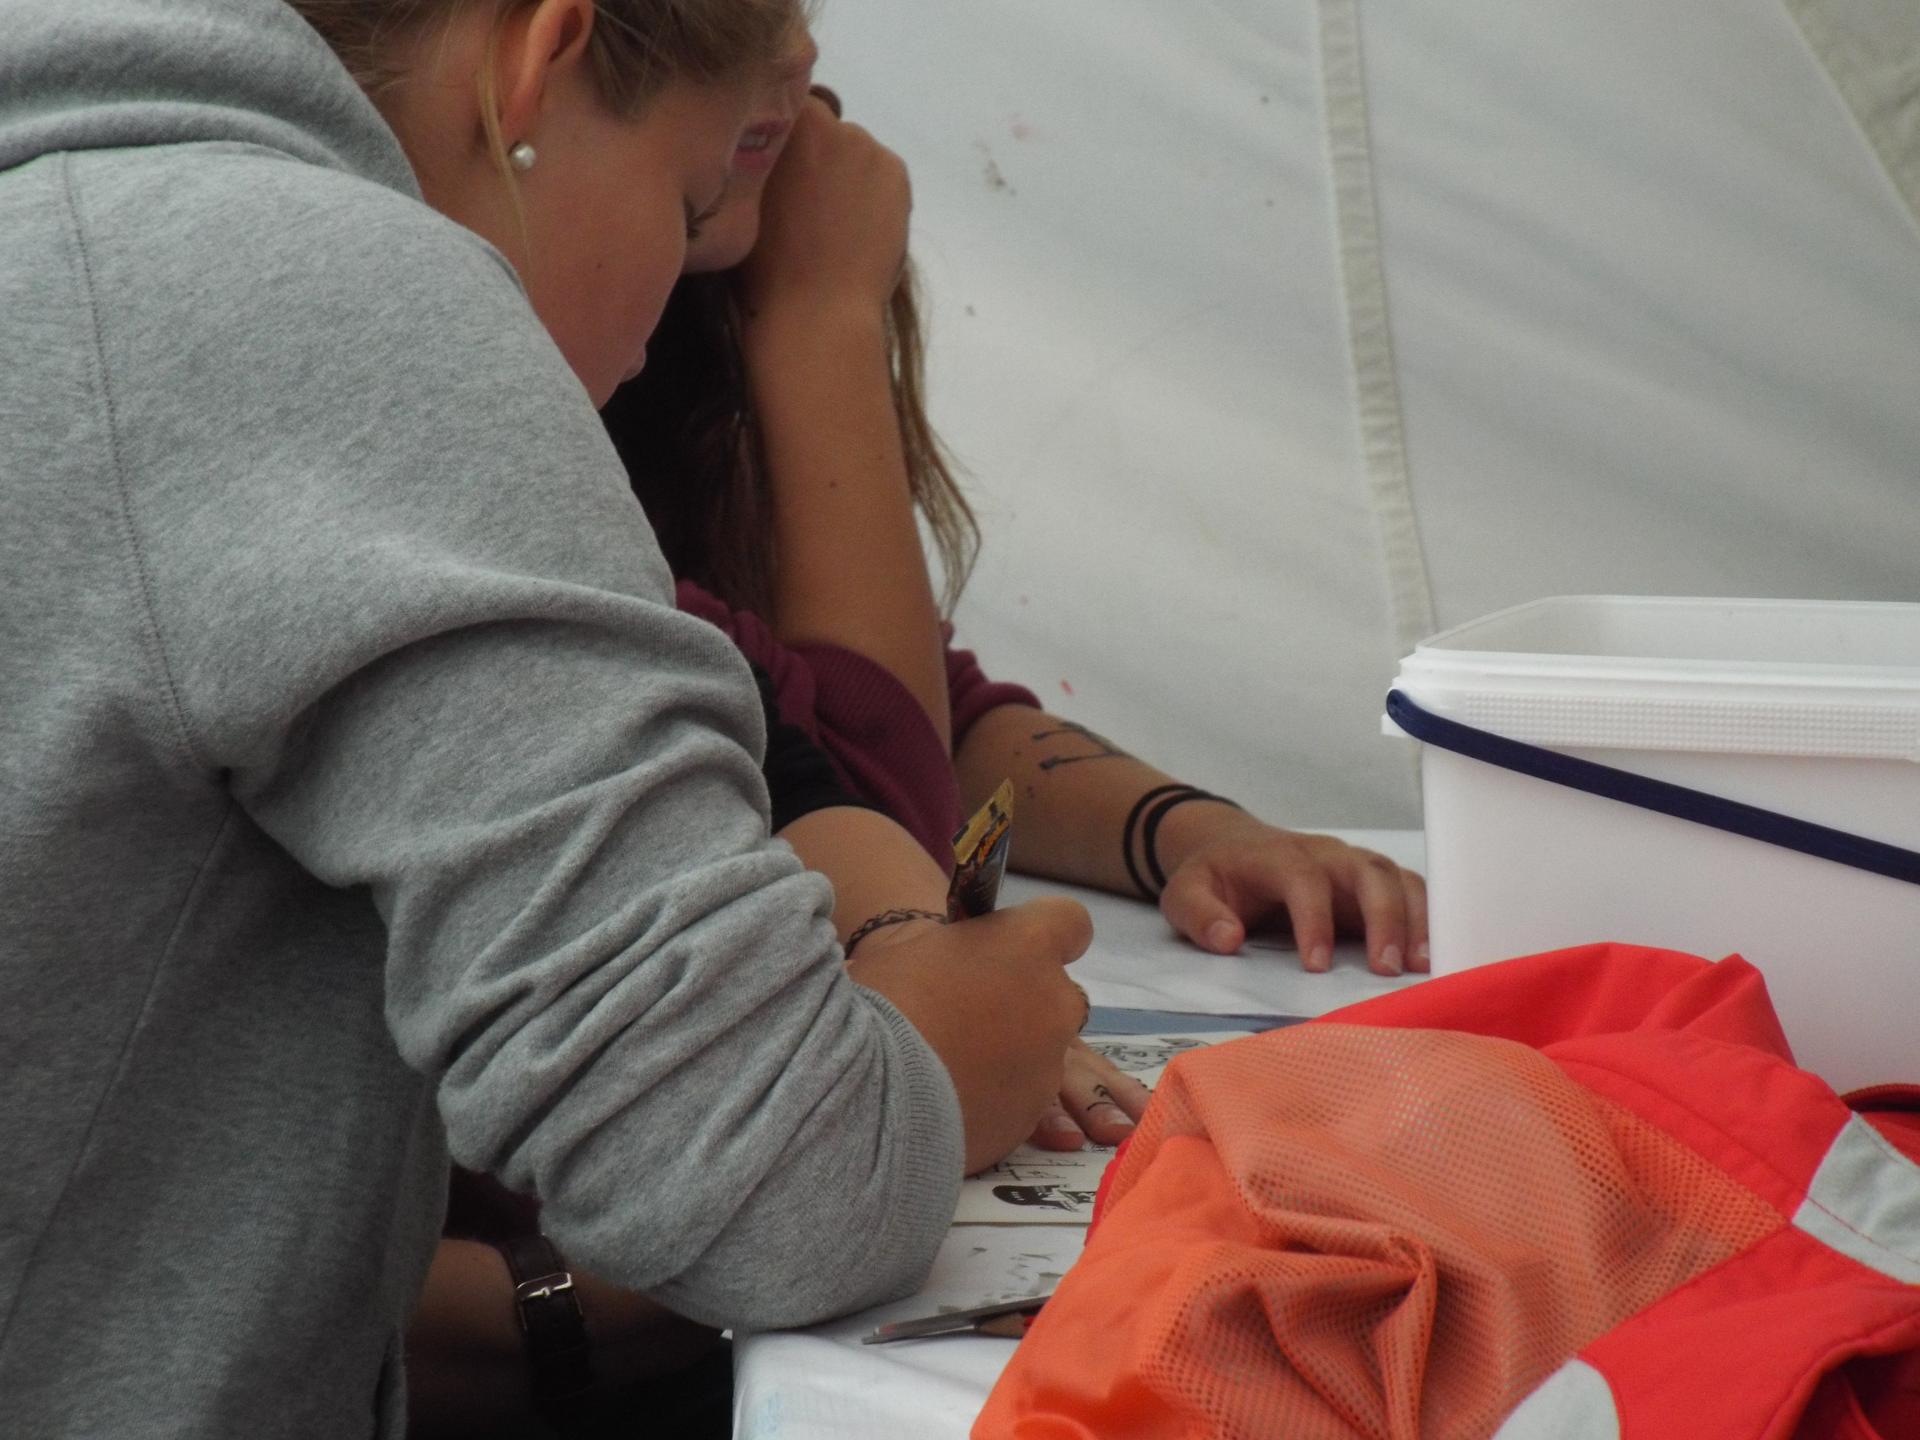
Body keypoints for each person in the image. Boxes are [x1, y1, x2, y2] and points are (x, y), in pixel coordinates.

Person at [0, 1, 1097, 1435]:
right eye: (687, 203)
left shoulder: (71, 222)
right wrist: (962, 1036)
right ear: (540, 57)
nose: (651, 337)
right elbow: (774, 1183)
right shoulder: (322, 292)